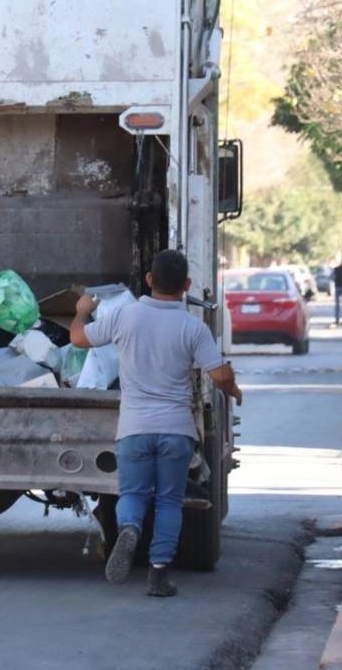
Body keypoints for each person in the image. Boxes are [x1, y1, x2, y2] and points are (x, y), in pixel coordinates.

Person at [70, 249, 243, 597]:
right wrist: (234, 390)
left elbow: (78, 338)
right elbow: (219, 374)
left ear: (149, 280)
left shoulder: (123, 317)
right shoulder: (192, 327)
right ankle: (159, 573)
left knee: (133, 494)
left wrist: (80, 312)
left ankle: (130, 529)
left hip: (133, 428)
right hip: (176, 430)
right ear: (187, 285)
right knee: (168, 501)